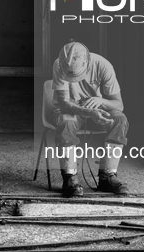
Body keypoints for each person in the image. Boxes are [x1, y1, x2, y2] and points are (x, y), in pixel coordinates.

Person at [51, 40, 129, 196]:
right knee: (66, 122)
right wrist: (88, 112)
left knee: (119, 120)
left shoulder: (103, 65)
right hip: (71, 109)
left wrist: (101, 102)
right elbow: (65, 105)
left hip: (96, 108)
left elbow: (118, 105)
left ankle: (107, 176)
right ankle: (70, 178)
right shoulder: (60, 64)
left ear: (87, 62)